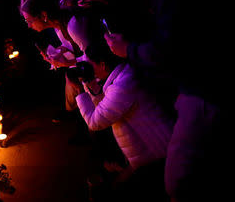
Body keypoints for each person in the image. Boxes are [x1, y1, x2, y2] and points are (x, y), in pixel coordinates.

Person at [106, 0, 235, 202]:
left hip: (207, 90)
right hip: (220, 86)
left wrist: (127, 50)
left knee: (180, 181)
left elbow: (172, 49)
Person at [67, 42, 174, 201]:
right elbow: (104, 105)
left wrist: (79, 90)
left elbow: (95, 121)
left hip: (156, 154)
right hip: (150, 148)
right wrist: (89, 83)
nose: (88, 68)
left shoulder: (122, 86)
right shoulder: (122, 75)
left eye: (90, 65)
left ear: (102, 65)